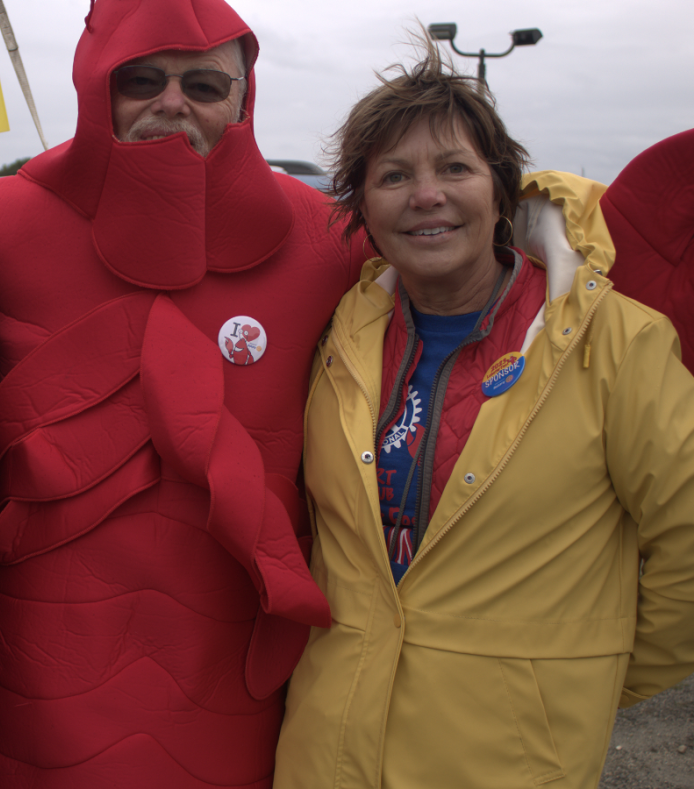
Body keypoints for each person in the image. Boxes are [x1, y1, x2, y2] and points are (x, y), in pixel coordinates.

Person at [0, 0, 362, 785]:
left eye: (203, 84)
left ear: (244, 97)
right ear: (97, 88)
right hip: (40, 659)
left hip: (234, 656)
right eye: (143, 79)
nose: (172, 102)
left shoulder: (326, 240)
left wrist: (537, 213)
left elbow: (460, 263)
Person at [272, 41, 694, 789]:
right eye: (393, 176)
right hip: (329, 749)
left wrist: (582, 668)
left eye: (454, 169)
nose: (424, 194)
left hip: (509, 758)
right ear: (362, 206)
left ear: (502, 191)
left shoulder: (613, 340)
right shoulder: (341, 333)